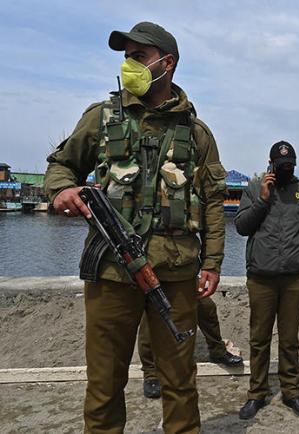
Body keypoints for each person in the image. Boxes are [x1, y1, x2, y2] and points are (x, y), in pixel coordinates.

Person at [44, 21, 227, 433]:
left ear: (168, 63)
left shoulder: (197, 133)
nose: (130, 65)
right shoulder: (101, 117)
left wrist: (212, 262)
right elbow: (61, 166)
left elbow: (213, 202)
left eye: (139, 56)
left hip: (176, 276)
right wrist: (61, 192)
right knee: (105, 385)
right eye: (127, 57)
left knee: (180, 383)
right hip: (110, 273)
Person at [234, 141, 299, 420]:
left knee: (289, 340)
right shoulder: (253, 189)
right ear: (270, 164)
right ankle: (256, 394)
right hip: (261, 277)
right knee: (259, 339)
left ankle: (291, 392)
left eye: (290, 165)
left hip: (296, 278)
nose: (286, 169)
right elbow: (241, 227)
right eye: (281, 165)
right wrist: (262, 198)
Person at [138, 296, 244, 399]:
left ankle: (218, 352)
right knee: (149, 319)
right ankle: (150, 372)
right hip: (153, 284)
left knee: (206, 306)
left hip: (182, 281)